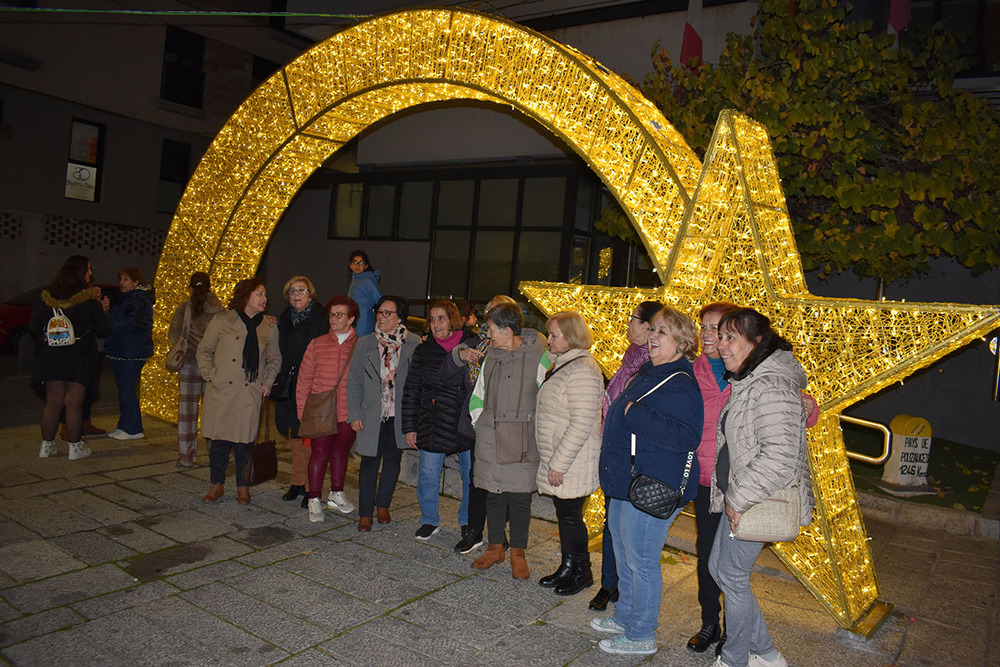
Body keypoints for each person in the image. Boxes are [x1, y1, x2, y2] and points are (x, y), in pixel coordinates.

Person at [690, 303, 819, 657]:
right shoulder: (751, 379)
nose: (721, 343)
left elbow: (778, 457)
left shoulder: (771, 385)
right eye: (720, 335)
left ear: (757, 341)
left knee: (730, 576)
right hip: (743, 495)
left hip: (755, 498)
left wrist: (736, 499)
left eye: (731, 337)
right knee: (720, 568)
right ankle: (766, 654)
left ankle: (736, 658)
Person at [591, 307, 703, 657]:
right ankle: (626, 616)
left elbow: (687, 436)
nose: (653, 336)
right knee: (625, 554)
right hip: (628, 480)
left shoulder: (680, 383)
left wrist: (634, 414)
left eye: (663, 332)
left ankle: (641, 633)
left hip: (652, 485)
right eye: (652, 329)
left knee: (641, 560)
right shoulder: (650, 373)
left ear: (683, 343)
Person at [590, 300, 661, 612]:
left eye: (633, 319)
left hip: (636, 458)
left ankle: (627, 593)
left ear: (648, 328)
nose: (628, 325)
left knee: (629, 530)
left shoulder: (654, 367)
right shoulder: (628, 361)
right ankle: (609, 584)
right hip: (615, 452)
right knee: (611, 523)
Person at [468, 302, 547, 579]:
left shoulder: (540, 356)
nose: (488, 334)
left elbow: (547, 397)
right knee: (494, 493)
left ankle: (518, 552)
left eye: (491, 328)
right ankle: (494, 547)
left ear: (508, 329)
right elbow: (479, 393)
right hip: (491, 435)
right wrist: (480, 422)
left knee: (520, 497)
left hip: (523, 437)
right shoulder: (492, 354)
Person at [534, 311, 603, 596]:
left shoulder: (583, 370)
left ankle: (582, 571)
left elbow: (582, 422)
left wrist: (558, 464)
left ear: (571, 338)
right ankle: (568, 565)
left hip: (572, 461)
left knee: (572, 517)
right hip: (562, 458)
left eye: (553, 335)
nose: (548, 340)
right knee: (565, 516)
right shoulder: (566, 364)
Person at [197, 278, 281, 505]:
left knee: (245, 443)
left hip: (249, 393)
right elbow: (204, 349)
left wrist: (267, 381)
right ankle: (216, 485)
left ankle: (243, 487)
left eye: (265, 294)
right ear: (245, 296)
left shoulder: (268, 325)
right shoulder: (223, 319)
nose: (264, 299)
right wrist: (210, 373)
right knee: (219, 441)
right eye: (259, 294)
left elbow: (274, 359)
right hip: (221, 390)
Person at [401, 300, 478, 541]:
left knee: (470, 477)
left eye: (441, 318)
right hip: (432, 421)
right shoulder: (424, 350)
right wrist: (410, 427)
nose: (435, 324)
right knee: (428, 474)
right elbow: (412, 389)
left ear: (453, 319)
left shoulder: (473, 344)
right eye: (432, 319)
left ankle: (468, 521)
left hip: (466, 423)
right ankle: (429, 520)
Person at [449, 294, 517, 554]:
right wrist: (460, 355)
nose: (490, 316)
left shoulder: (518, 349)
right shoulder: (475, 342)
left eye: (496, 311)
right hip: (478, 425)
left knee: (504, 483)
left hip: (507, 427)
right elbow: (449, 373)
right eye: (488, 310)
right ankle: (474, 530)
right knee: (477, 480)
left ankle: (499, 533)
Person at [347, 295, 419, 531]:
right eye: (380, 311)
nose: (382, 316)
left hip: (398, 416)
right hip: (371, 415)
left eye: (388, 312)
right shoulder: (365, 343)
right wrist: (354, 413)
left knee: (392, 462)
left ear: (400, 318)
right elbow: (354, 381)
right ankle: (365, 513)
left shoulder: (414, 343)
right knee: (369, 462)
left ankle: (383, 506)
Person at [30, 255, 110, 461]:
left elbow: (33, 328)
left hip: (52, 355)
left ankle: (46, 447)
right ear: (80, 274)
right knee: (74, 401)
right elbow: (102, 330)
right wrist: (102, 311)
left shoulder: (45, 298)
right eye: (88, 269)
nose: (91, 273)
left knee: (53, 400)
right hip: (80, 355)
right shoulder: (88, 300)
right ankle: (75, 448)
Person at [296, 296, 358, 522]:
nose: (334, 319)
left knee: (340, 453)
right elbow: (304, 380)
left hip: (347, 412)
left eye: (340, 315)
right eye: (332, 314)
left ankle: (336, 494)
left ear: (351, 318)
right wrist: (303, 412)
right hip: (321, 410)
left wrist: (359, 413)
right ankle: (314, 498)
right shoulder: (317, 344)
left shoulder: (360, 345)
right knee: (319, 454)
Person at [273, 276, 329, 506]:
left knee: (309, 437)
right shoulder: (283, 319)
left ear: (310, 294)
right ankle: (297, 482)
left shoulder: (321, 318)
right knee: (293, 435)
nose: (296, 294)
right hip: (288, 384)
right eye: (291, 291)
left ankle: (311, 487)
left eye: (301, 290)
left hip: (310, 383)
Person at [168, 272, 222, 467]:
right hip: (212, 367)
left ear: (190, 287)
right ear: (210, 287)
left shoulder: (186, 307)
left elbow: (174, 335)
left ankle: (186, 457)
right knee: (213, 414)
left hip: (189, 364)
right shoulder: (219, 308)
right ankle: (216, 455)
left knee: (186, 414)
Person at [104, 267, 154, 440]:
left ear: (135, 282)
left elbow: (130, 323)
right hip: (122, 348)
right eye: (121, 279)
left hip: (132, 349)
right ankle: (124, 424)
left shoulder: (138, 300)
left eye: (125, 280)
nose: (121, 284)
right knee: (123, 389)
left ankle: (134, 429)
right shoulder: (126, 299)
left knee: (127, 389)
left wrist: (109, 319)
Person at [347, 250, 382, 337]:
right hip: (354, 320)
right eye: (355, 262)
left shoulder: (367, 281)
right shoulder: (355, 280)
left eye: (361, 263)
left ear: (366, 266)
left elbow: (380, 300)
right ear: (350, 265)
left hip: (364, 323)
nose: (358, 265)